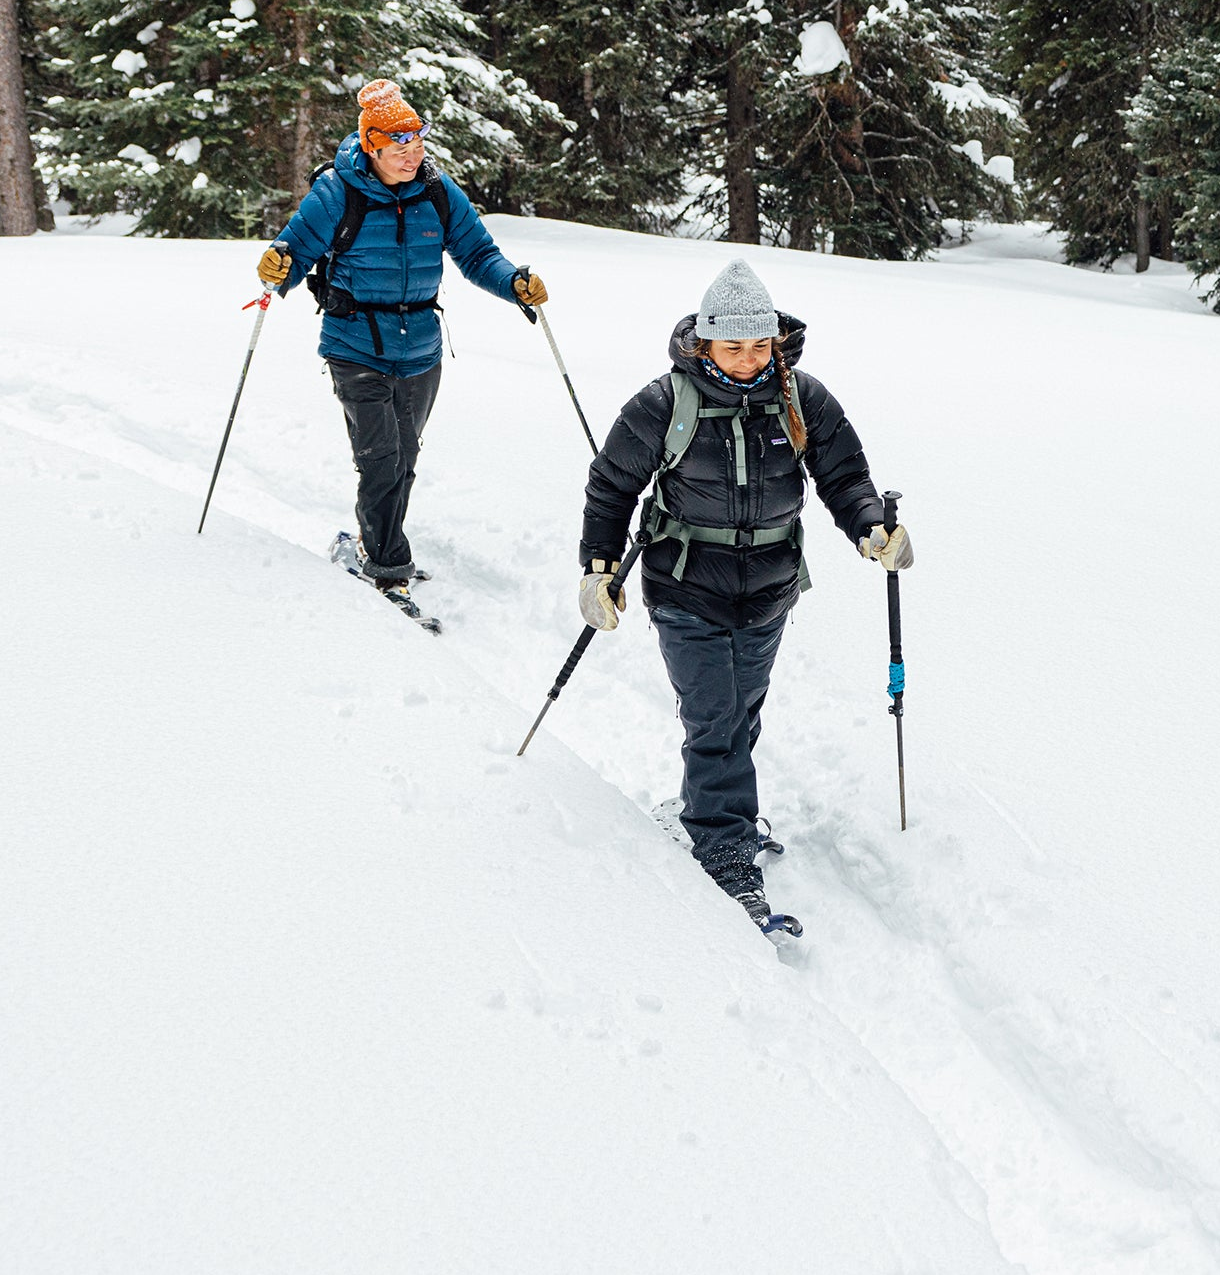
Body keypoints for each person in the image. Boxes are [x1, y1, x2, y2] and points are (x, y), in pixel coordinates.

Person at [578, 258, 913, 932]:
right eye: (733, 346)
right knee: (717, 721)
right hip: (684, 586)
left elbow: (844, 476)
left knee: (740, 714)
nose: (748, 359)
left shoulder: (802, 398)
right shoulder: (663, 402)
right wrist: (597, 567)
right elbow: (611, 487)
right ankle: (725, 854)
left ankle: (708, 809)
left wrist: (871, 526)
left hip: (769, 586)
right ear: (704, 342)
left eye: (760, 345)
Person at [257, 80, 548, 605]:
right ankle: (388, 569)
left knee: (403, 457)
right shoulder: (336, 194)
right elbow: (293, 253)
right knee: (381, 459)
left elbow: (478, 253)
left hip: (421, 351)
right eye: (399, 147)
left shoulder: (437, 191)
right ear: (371, 145)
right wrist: (278, 267)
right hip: (354, 346)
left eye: (418, 145)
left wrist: (514, 283)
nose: (412, 157)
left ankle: (376, 544)